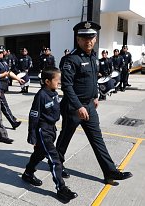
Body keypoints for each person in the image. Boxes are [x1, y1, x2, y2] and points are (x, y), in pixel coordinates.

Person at [56, 21, 132, 184]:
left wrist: (96, 96)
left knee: (97, 139)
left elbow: (93, 80)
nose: (88, 41)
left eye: (91, 37)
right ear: (78, 39)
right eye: (84, 38)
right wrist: (78, 106)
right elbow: (67, 86)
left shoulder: (93, 57)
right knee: (65, 138)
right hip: (73, 107)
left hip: (89, 105)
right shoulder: (71, 60)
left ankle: (110, 171)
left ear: (95, 39)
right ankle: (57, 164)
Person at [22, 67, 78, 201]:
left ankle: (28, 173)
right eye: (57, 80)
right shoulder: (41, 95)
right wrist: (32, 136)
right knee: (55, 159)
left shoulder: (54, 93)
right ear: (47, 81)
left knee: (39, 154)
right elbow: (34, 116)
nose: (59, 82)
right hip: (43, 131)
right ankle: (61, 189)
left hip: (51, 130)